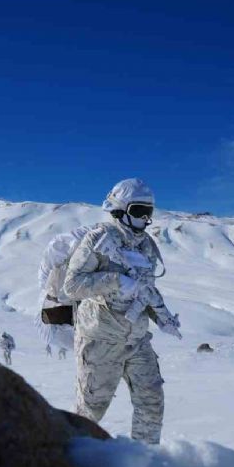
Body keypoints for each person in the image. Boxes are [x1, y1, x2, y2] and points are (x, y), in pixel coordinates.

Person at [63, 178, 181, 444]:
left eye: (148, 212)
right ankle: (72, 463)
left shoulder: (147, 245)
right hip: (101, 339)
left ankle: (144, 459)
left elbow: (146, 289)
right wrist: (114, 281)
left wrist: (161, 316)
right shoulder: (98, 239)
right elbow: (72, 285)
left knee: (151, 402)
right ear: (122, 209)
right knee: (90, 411)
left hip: (137, 340)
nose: (145, 219)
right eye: (139, 211)